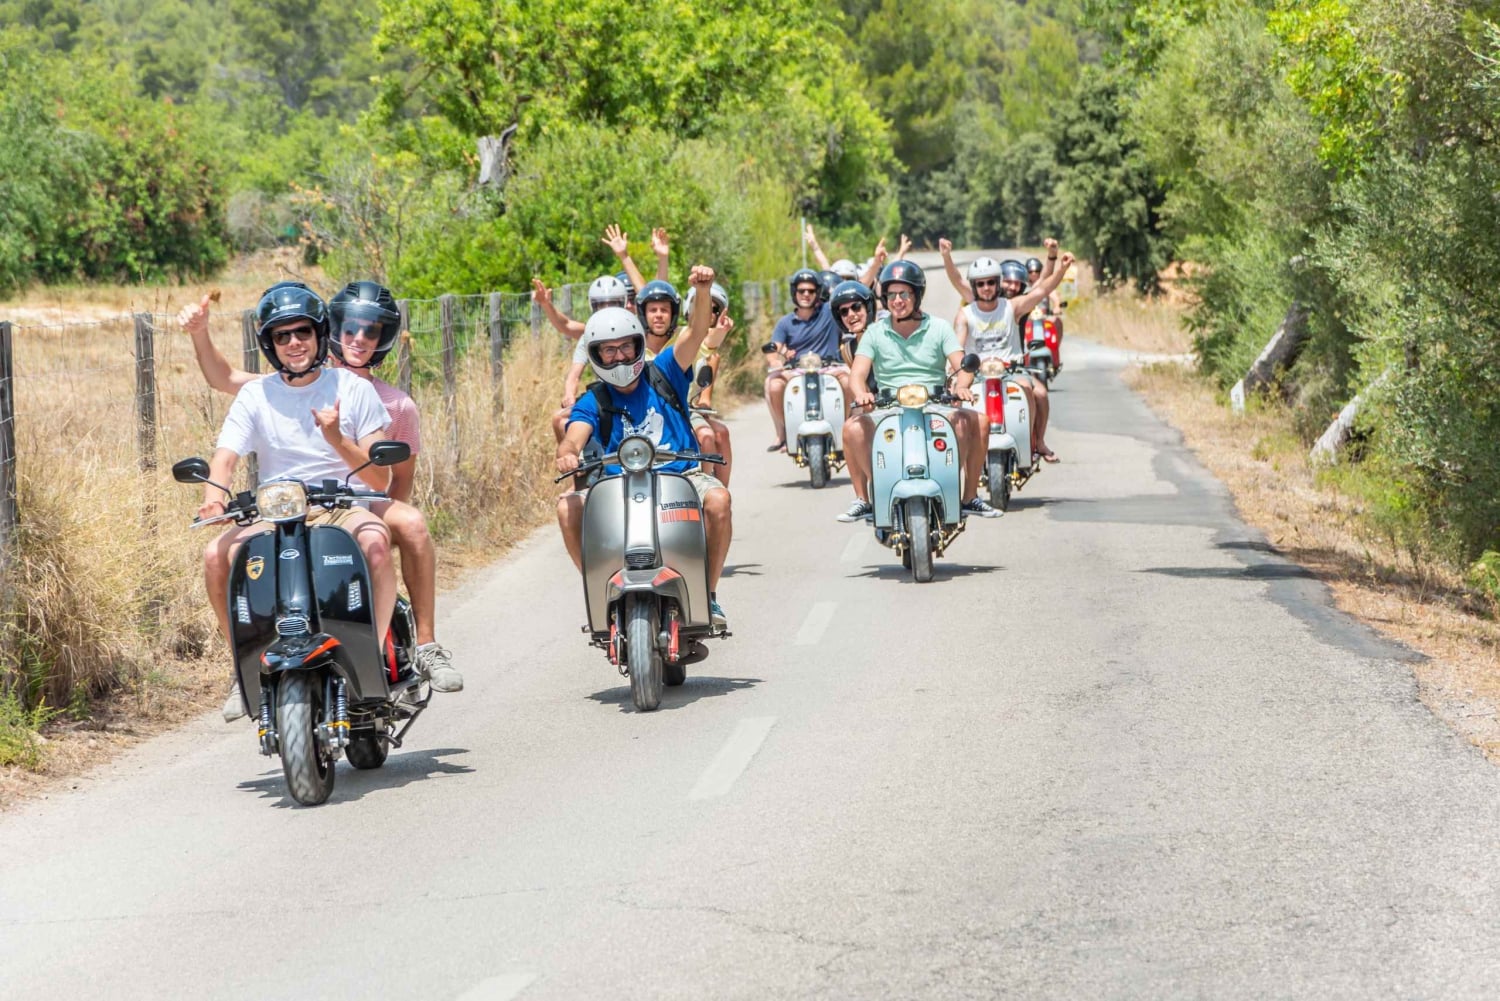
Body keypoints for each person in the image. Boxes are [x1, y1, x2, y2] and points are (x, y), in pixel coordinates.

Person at [177, 283, 463, 719]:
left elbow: (379, 476)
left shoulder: (355, 389)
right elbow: (226, 457)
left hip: (342, 501)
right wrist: (213, 499)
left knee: (375, 542)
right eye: (282, 336)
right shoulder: (257, 394)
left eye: (302, 333)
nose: (294, 343)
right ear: (269, 345)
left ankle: (379, 655)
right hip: (277, 508)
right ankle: (243, 668)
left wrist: (335, 438)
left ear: (318, 334)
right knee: (216, 555)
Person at [555, 266, 732, 628]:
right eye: (608, 351)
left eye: (625, 347)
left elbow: (697, 331)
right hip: (617, 485)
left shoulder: (664, 371)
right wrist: (567, 453)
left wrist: (703, 290)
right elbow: (574, 434)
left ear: (638, 344)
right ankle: (597, 588)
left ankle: (708, 594)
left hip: (679, 475)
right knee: (567, 506)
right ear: (595, 356)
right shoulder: (594, 398)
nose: (619, 357)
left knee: (719, 500)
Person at [835, 260, 1001, 523]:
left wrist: (961, 386)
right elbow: (857, 374)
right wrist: (861, 394)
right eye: (891, 295)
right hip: (889, 406)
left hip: (935, 403)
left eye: (904, 294)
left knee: (978, 421)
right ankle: (865, 499)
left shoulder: (939, 327)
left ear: (917, 295)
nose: (897, 300)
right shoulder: (875, 333)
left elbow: (963, 365)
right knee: (851, 428)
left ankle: (968, 496)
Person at [952, 249, 1074, 462]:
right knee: (953, 397)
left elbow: (1042, 289)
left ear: (998, 283)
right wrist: (956, 370)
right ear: (974, 286)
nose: (986, 288)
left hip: (1010, 370)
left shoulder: (1012, 307)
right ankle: (959, 454)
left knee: (1035, 391)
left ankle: (1032, 442)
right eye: (980, 284)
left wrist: (1062, 269)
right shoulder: (966, 314)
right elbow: (957, 346)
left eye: (990, 282)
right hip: (977, 372)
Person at [763, 268, 850, 452]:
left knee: (849, 380)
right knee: (774, 384)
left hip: (830, 367)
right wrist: (775, 361)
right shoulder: (785, 322)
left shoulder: (829, 313)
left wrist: (875, 263)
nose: (806, 294)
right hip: (797, 370)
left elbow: (850, 291)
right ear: (794, 292)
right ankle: (786, 432)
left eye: (811, 291)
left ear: (818, 293)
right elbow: (774, 347)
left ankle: (847, 427)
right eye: (801, 290)